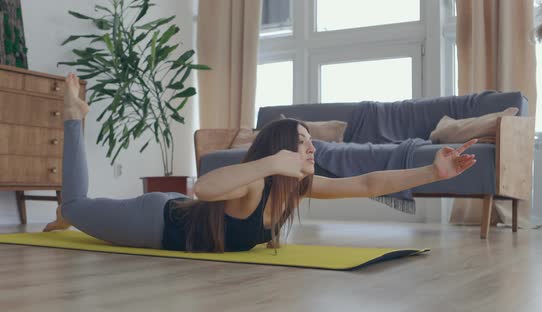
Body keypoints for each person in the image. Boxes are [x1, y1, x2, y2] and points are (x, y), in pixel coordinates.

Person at [44, 73, 478, 253]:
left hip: (175, 210)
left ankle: (71, 215)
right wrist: (270, 163)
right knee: (78, 206)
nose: (313, 151)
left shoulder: (298, 188)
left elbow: (366, 183)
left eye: (312, 143)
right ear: (281, 151)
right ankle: (73, 119)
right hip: (153, 221)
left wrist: (431, 171)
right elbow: (204, 189)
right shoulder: (256, 182)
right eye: (304, 143)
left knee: (82, 211)